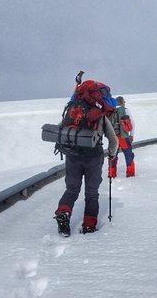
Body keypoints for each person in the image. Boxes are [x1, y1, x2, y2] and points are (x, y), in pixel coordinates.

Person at [54, 80, 118, 236]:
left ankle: (63, 212)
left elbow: (62, 130)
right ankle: (89, 226)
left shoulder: (72, 111)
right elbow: (113, 140)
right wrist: (111, 154)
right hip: (93, 157)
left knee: (72, 189)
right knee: (91, 193)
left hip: (72, 156)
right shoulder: (100, 113)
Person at [110, 96, 136, 178]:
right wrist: (131, 135)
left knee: (113, 155)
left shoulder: (111, 111)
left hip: (114, 138)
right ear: (122, 102)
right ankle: (130, 173)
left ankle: (112, 173)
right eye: (124, 102)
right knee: (128, 155)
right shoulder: (125, 110)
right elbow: (132, 123)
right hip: (124, 137)